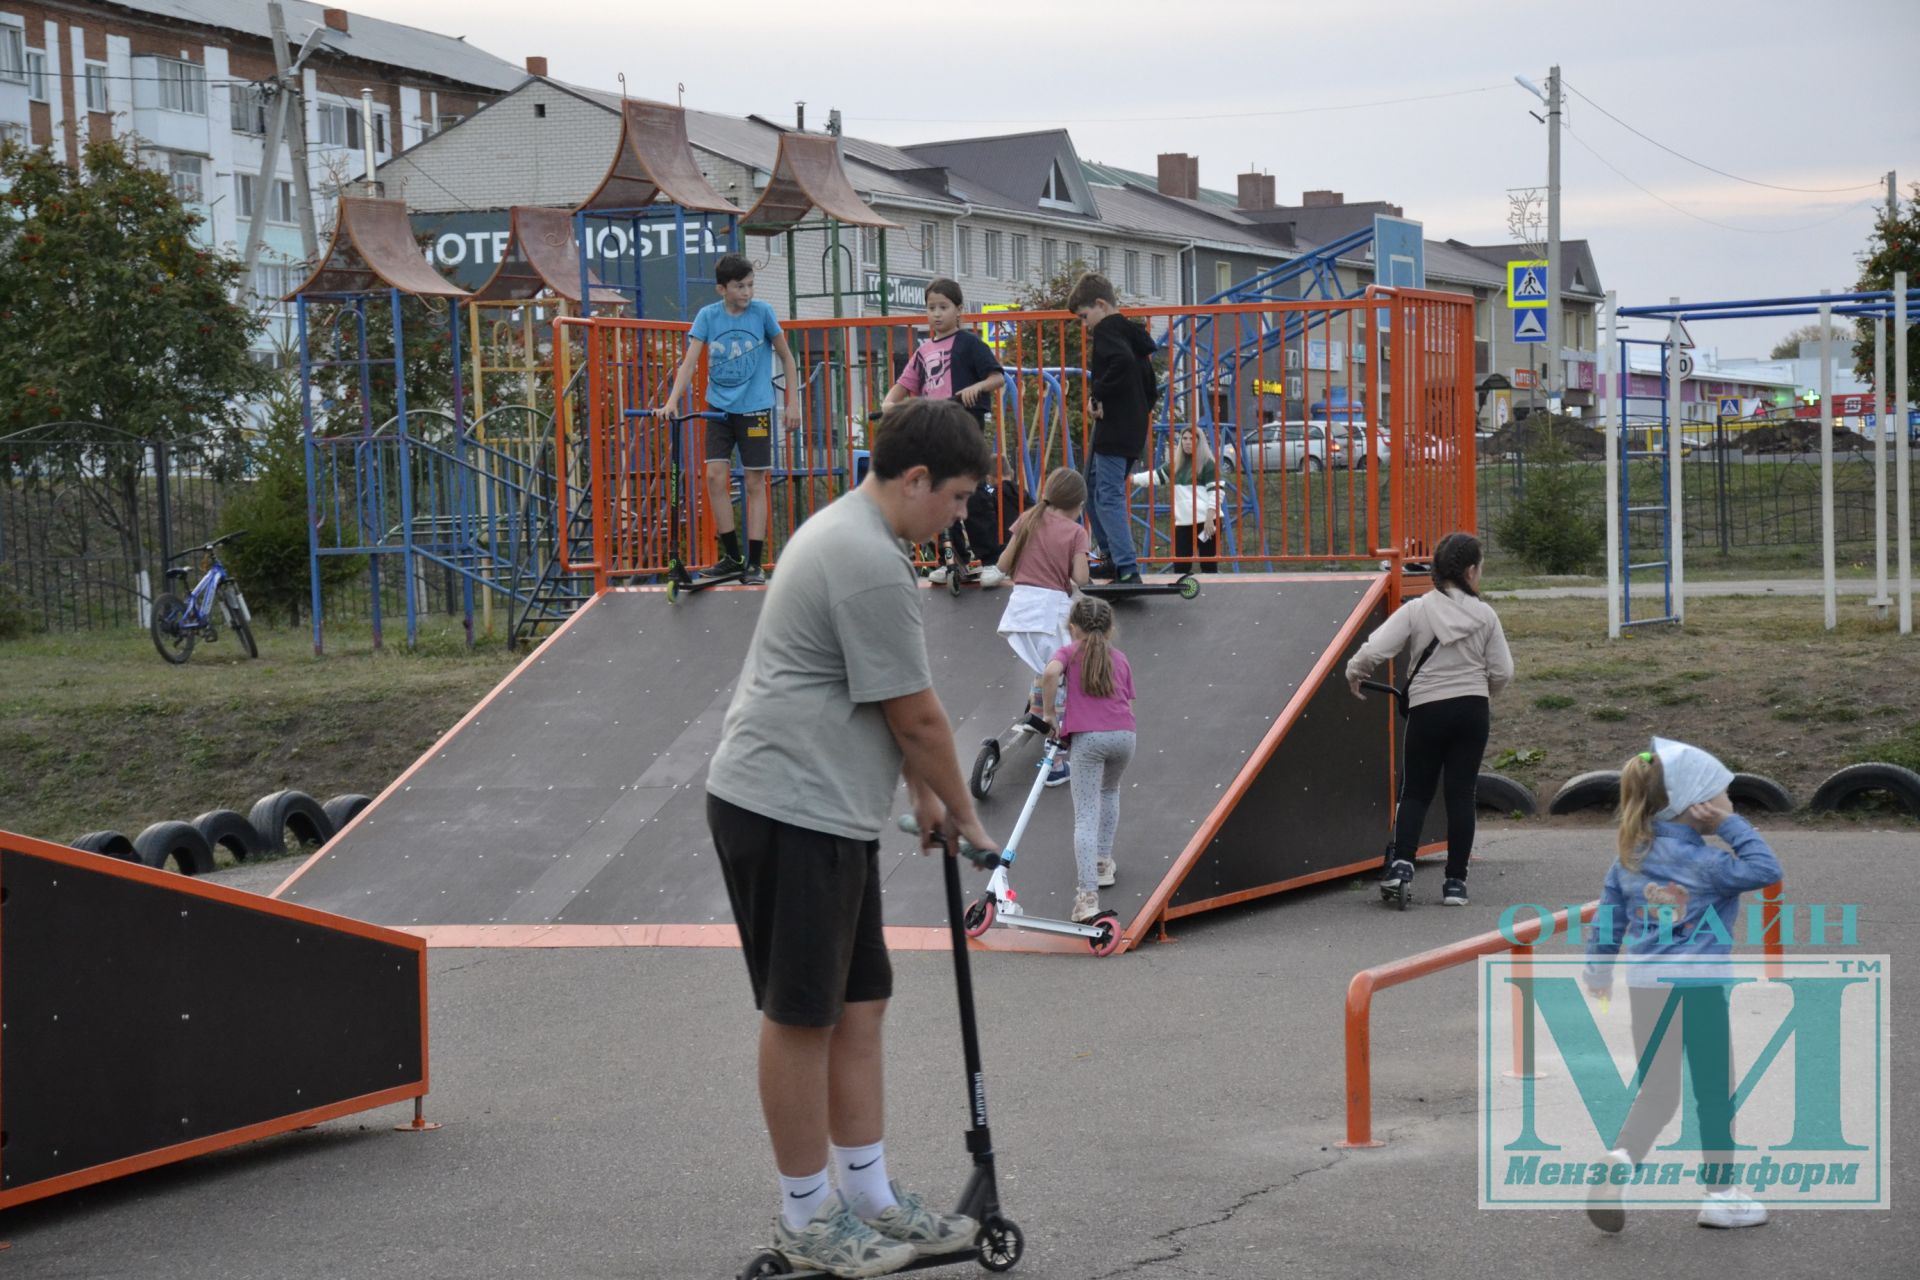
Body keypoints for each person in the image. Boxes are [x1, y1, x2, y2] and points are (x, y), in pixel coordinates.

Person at [705, 397, 999, 1276]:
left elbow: (880, 694)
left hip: (825, 809)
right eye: (954, 499)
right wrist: (970, 815)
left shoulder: (855, 535)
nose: (959, 517)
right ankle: (807, 1215)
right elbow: (917, 716)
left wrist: (926, 795)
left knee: (859, 1003)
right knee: (803, 1014)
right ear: (914, 481)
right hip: (786, 807)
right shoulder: (866, 559)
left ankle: (869, 1197)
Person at [1582, 739, 1783, 1234]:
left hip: (1647, 989)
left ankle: (1620, 1160)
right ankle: (1720, 1195)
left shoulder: (1631, 857)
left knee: (1657, 1092)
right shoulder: (1709, 863)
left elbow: (1607, 925)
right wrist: (1730, 826)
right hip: (1699, 992)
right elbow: (1767, 869)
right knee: (1715, 1092)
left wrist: (1599, 973)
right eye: (1724, 794)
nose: (1731, 801)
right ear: (1700, 806)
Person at [1344, 532, 1512, 905]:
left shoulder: (1417, 609)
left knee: (1417, 790)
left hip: (1428, 710)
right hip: (1472, 711)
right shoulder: (1486, 616)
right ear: (1470, 571)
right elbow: (1503, 671)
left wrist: (1355, 672)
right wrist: (1481, 693)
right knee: (1461, 794)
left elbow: (1377, 647)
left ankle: (1402, 865)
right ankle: (1456, 882)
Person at [659, 254, 803, 586]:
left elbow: (787, 357)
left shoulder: (762, 313)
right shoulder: (708, 317)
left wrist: (792, 403)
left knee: (754, 483)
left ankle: (754, 563)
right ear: (721, 289)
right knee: (713, 477)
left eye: (751, 285)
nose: (747, 292)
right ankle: (732, 557)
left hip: (754, 409)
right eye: (740, 286)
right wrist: (671, 402)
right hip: (719, 410)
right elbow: (690, 362)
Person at [881, 278, 1008, 589]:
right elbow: (902, 386)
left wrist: (976, 387)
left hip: (964, 426)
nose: (936, 314)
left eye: (943, 307)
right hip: (934, 429)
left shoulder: (970, 344)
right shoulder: (923, 351)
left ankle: (991, 559)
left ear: (959, 310)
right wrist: (888, 404)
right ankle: (952, 558)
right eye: (931, 308)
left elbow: (997, 377)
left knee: (972, 492)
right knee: (937, 492)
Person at [1038, 596, 1135, 923]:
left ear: (1072, 627)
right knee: (1109, 792)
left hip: (1089, 739)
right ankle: (1102, 862)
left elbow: (1049, 673)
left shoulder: (1069, 653)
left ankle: (1087, 897)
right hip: (1125, 736)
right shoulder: (1119, 658)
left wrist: (1050, 715)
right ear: (1110, 628)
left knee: (1085, 814)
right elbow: (1125, 701)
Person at [994, 467, 1091, 787]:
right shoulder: (1076, 532)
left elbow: (1003, 565)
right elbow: (1081, 579)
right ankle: (1056, 762)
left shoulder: (1028, 519)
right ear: (1078, 504)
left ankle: (1038, 709)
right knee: (1064, 677)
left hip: (1018, 612)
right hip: (1049, 615)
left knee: (1044, 668)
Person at [1066, 272, 1157, 585]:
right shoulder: (1133, 335)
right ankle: (1109, 558)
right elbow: (1150, 387)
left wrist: (1099, 394)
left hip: (1115, 430)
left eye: (1084, 316)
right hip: (1132, 428)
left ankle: (1127, 567)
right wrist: (1133, 410)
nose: (1084, 324)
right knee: (1090, 489)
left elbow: (1121, 364)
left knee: (1107, 496)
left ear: (1101, 305)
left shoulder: (1106, 330)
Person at [1130, 421, 1220, 575]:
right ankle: (1184, 596)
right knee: (1181, 567)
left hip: (1206, 523)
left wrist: (1210, 518)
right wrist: (1131, 478)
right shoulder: (1175, 465)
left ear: (1200, 441)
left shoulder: (1208, 463)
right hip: (1184, 523)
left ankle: (1210, 596)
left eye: (1192, 438)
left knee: (1208, 564)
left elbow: (1217, 491)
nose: (1187, 442)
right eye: (1184, 438)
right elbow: (1154, 477)